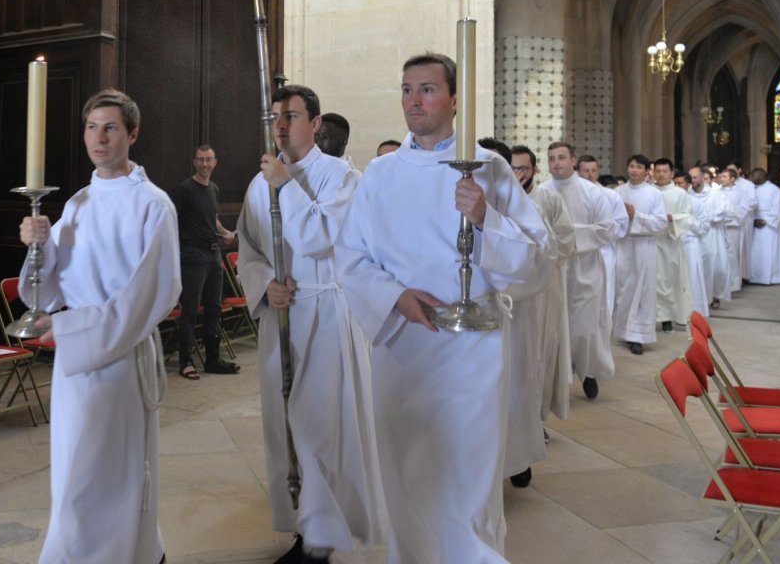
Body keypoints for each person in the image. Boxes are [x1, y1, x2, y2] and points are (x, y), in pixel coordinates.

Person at [336, 52, 547, 563]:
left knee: (467, 478)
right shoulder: (380, 175)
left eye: (427, 89)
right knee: (409, 474)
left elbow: (538, 263)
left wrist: (485, 220)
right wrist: (394, 297)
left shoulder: (491, 168)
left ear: (455, 99)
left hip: (473, 350)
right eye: (407, 89)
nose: (414, 100)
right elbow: (349, 256)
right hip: (403, 348)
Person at [18, 89, 181, 564]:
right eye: (91, 127)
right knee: (73, 470)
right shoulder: (78, 204)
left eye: (110, 128)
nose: (99, 138)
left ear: (132, 134)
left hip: (119, 356)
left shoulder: (154, 205)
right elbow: (47, 290)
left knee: (103, 476)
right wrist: (37, 246)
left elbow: (148, 296)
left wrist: (70, 330)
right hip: (77, 361)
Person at [237, 86, 386, 564]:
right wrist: (264, 285)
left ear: (316, 123)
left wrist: (286, 186)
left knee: (320, 424)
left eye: (293, 116)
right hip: (281, 316)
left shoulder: (342, 177)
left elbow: (323, 238)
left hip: (325, 315)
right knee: (285, 426)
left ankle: (322, 537)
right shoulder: (259, 183)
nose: (281, 125)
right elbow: (250, 246)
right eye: (276, 116)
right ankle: (304, 525)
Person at [509, 143, 575, 487]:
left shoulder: (547, 200)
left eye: (523, 169)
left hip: (543, 291)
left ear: (534, 170)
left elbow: (566, 241)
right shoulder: (501, 199)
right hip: (510, 295)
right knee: (518, 362)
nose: (518, 175)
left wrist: (539, 255)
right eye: (512, 169)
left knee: (541, 354)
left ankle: (535, 421)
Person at [541, 143, 623, 400]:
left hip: (585, 268)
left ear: (573, 160)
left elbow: (607, 229)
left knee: (585, 327)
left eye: (561, 158)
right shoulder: (541, 192)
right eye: (552, 158)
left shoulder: (592, 192)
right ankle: (559, 379)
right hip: (554, 270)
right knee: (556, 326)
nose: (556, 163)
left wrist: (567, 236)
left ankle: (588, 372)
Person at [169, 145, 239, 380]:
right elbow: (171, 220)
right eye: (201, 160)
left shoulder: (214, 189)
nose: (205, 164)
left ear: (215, 163)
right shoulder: (184, 189)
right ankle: (186, 362)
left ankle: (212, 359)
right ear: (194, 162)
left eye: (209, 160)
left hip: (213, 254)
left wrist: (226, 232)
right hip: (192, 256)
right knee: (189, 311)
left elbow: (214, 219)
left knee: (214, 308)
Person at [613, 155, 668, 354]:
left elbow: (661, 222)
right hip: (624, 246)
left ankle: (638, 336)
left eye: (639, 167)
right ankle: (625, 331)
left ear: (647, 171)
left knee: (643, 290)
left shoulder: (654, 194)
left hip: (645, 247)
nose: (634, 170)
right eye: (631, 166)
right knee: (624, 289)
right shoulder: (618, 192)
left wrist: (636, 216)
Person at [577, 154, 629, 319]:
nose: (590, 175)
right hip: (577, 253)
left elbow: (621, 224)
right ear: (578, 172)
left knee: (604, 292)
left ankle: (603, 330)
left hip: (604, 251)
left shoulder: (610, 195)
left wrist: (598, 232)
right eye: (586, 171)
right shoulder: (571, 194)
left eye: (593, 170)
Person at [653, 158, 695, 332]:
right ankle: (651, 317)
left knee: (669, 281)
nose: (661, 174)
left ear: (671, 173)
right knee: (652, 281)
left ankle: (668, 317)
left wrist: (673, 218)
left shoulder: (680, 194)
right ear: (653, 172)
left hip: (670, 241)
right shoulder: (649, 191)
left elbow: (688, 217)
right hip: (650, 242)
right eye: (658, 171)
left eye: (665, 171)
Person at [688, 165, 731, 309]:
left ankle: (714, 295)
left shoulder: (715, 194)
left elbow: (721, 212)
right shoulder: (686, 193)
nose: (692, 180)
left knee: (714, 267)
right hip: (692, 234)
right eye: (690, 177)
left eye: (695, 177)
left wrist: (704, 217)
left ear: (702, 178)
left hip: (711, 235)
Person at [674, 171, 710, 317]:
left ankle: (694, 311)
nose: (677, 186)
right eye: (675, 183)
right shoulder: (668, 200)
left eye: (680, 183)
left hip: (690, 243)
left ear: (688, 185)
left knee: (692, 278)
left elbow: (704, 226)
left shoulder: (696, 203)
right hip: (674, 242)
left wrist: (687, 220)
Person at [748, 168, 780, 285]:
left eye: (753, 175)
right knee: (755, 252)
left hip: (769, 226)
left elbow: (778, 210)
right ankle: (755, 277)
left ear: (762, 176)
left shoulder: (775, 190)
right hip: (754, 223)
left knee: (769, 251)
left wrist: (765, 221)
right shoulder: (751, 189)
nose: (751, 177)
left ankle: (772, 277)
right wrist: (753, 221)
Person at [729, 164, 758, 282]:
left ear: (739, 170)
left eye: (733, 169)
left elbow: (752, 202)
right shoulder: (723, 187)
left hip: (744, 219)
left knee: (743, 248)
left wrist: (739, 210)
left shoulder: (748, 184)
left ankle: (743, 275)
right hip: (730, 220)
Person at [719, 168, 747, 291]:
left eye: (725, 177)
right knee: (721, 255)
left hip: (733, 227)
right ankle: (722, 283)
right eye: (721, 177)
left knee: (733, 255)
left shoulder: (741, 193)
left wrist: (731, 217)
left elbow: (743, 210)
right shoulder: (716, 192)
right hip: (720, 227)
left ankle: (733, 284)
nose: (722, 179)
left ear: (732, 179)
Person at [315, 112, 361, 180]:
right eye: (316, 136)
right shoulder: (309, 172)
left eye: (324, 137)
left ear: (344, 141)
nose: (318, 143)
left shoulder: (355, 179)